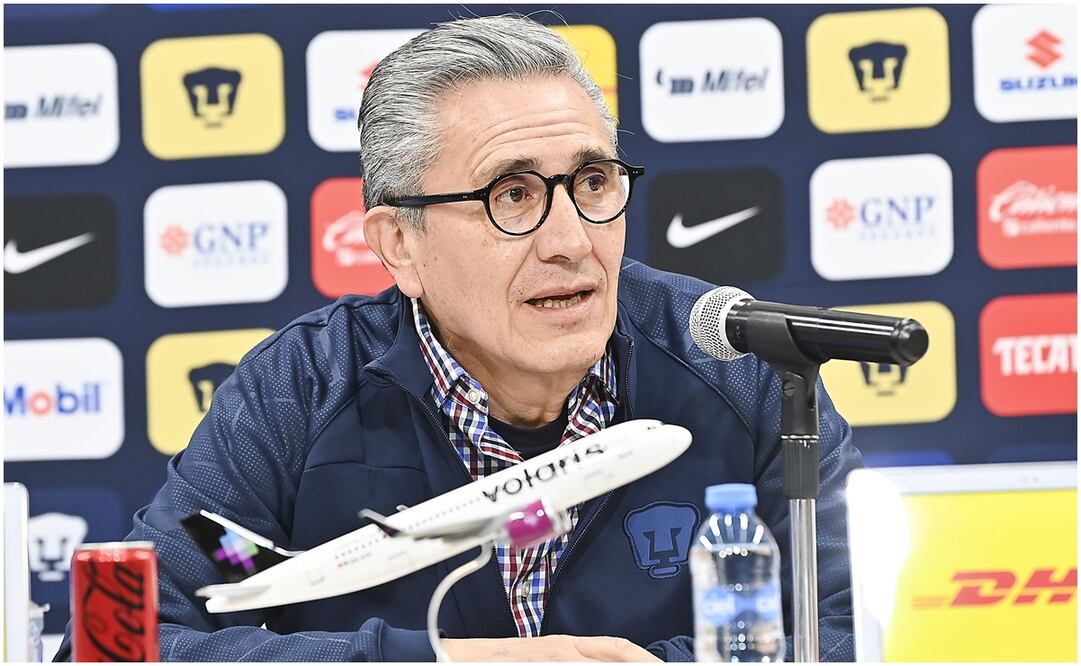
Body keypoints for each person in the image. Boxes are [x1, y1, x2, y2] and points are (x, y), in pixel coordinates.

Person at [56, 14, 862, 662]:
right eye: (511, 194)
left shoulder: (740, 365)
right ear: (399, 244)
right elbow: (116, 642)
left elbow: (860, 626)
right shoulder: (299, 390)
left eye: (591, 182)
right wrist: (437, 662)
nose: (571, 240)